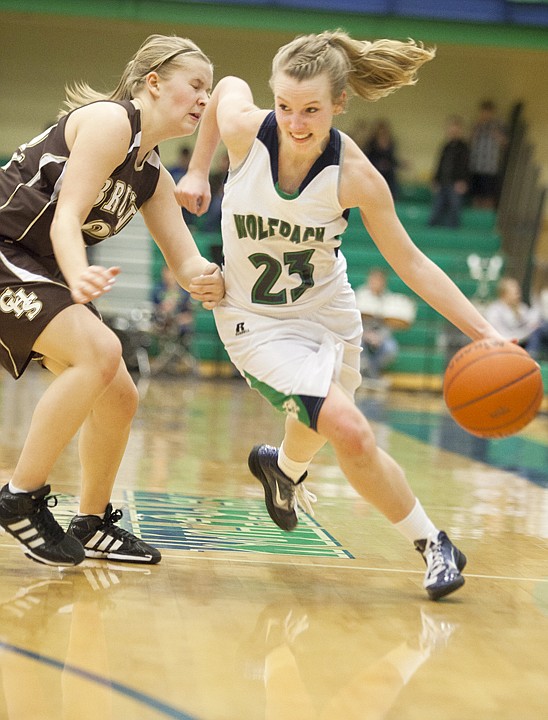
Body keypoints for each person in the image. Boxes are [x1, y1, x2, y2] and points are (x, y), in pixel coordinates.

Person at [176, 29, 507, 600]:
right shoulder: (243, 130)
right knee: (348, 429)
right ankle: (435, 544)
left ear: (339, 104)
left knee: (317, 424)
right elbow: (226, 86)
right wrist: (199, 170)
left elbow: (413, 264)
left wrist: (489, 334)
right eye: (284, 106)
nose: (295, 122)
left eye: (311, 110)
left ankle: (282, 470)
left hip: (330, 311)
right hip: (254, 321)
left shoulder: (354, 176)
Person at [0, 34, 224, 567]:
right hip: (9, 251)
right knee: (99, 354)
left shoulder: (151, 175)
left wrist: (213, 278)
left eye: (208, 91)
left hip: (45, 269)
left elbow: (185, 261)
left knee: (119, 395)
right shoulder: (109, 122)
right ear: (153, 82)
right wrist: (78, 274)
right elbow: (67, 216)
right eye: (195, 84)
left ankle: (92, 521)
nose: (203, 99)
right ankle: (20, 497)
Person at [354, 267, 416, 384]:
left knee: (390, 348)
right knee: (356, 345)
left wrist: (379, 337)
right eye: (374, 280)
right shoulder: (359, 296)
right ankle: (366, 374)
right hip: (361, 335)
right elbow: (353, 321)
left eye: (379, 280)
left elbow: (390, 325)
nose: (376, 283)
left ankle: (371, 372)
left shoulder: (389, 299)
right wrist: (365, 335)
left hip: (380, 337)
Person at [484, 277, 548, 360]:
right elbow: (500, 334)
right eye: (515, 292)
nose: (518, 295)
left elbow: (531, 323)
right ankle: (530, 358)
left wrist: (533, 327)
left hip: (522, 342)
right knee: (537, 332)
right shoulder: (494, 311)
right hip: (503, 344)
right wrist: (528, 332)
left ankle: (533, 358)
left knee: (542, 328)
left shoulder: (522, 308)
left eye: (518, 291)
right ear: (504, 294)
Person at [428, 115, 470, 228]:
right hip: (443, 182)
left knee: (455, 206)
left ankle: (453, 230)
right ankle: (432, 229)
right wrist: (435, 179)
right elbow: (440, 164)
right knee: (437, 206)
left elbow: (466, 166)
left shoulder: (464, 147)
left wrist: (463, 181)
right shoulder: (445, 146)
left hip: (456, 183)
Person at [468, 99, 507, 210]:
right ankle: (476, 217)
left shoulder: (499, 124)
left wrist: (495, 133)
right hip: (476, 165)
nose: (485, 114)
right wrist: (477, 126)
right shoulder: (476, 124)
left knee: (489, 195)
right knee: (476, 195)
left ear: (492, 112)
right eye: (483, 111)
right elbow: (469, 140)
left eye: (488, 112)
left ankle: (486, 217)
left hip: (490, 166)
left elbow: (505, 143)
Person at [364, 118, 401, 199]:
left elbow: (392, 158)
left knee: (391, 194)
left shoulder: (391, 143)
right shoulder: (371, 143)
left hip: (389, 174)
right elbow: (367, 158)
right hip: (375, 172)